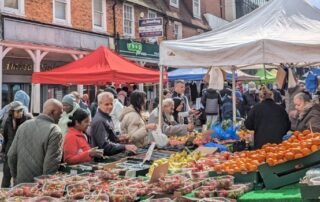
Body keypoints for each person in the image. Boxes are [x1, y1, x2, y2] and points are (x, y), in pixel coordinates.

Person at [8, 99, 63, 184]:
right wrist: (45, 186)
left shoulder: (23, 125)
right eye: (60, 113)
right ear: (53, 112)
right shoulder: (54, 131)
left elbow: (11, 155)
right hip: (39, 187)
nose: (61, 116)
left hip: (21, 184)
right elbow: (51, 165)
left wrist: (16, 177)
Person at [1, 101, 31, 187]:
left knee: (18, 178)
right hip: (9, 152)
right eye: (17, 111)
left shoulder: (27, 121)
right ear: (12, 112)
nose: (20, 113)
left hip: (22, 153)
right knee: (6, 176)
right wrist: (3, 152)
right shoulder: (8, 121)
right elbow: (6, 138)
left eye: (21, 110)